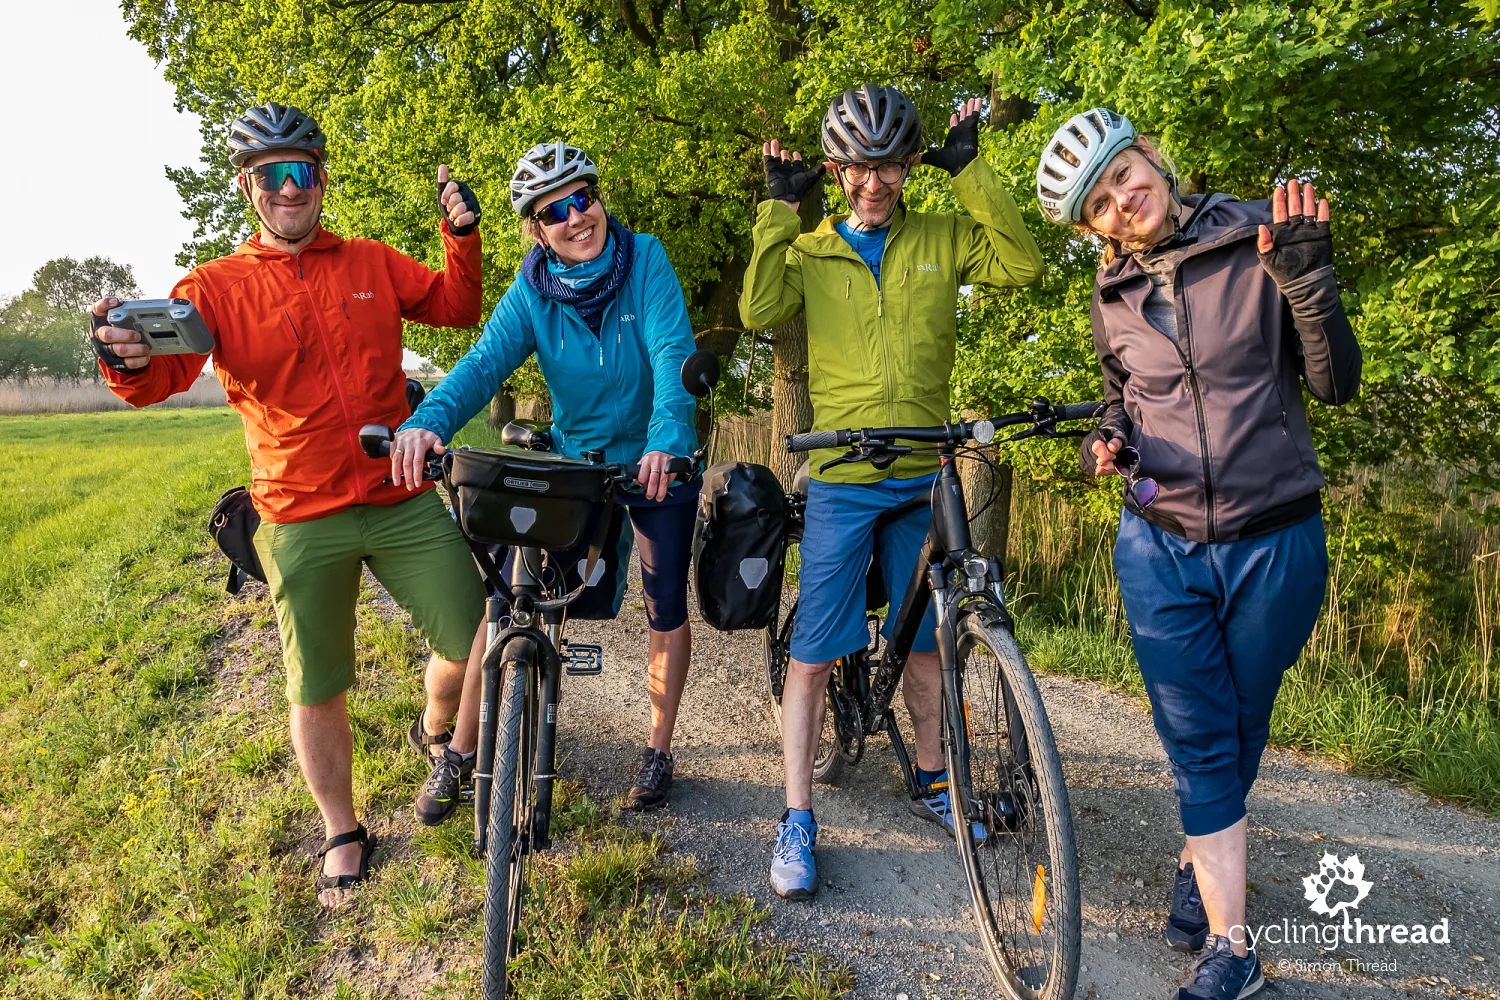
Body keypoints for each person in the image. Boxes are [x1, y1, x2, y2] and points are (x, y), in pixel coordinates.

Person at [88, 102, 490, 909]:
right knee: (318, 685)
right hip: (298, 511)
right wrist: (121, 359)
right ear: (247, 189)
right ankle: (343, 828)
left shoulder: (371, 262)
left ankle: (440, 734)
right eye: (268, 175)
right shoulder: (213, 288)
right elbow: (155, 380)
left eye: (299, 170)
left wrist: (462, 234)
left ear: (321, 178)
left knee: (478, 630)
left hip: (397, 491)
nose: (286, 188)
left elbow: (455, 307)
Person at [1036, 108, 1362, 999]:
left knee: (1241, 718)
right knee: (1198, 737)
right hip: (1160, 544)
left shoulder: (1260, 235)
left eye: (1122, 174)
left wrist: (1309, 279)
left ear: (1152, 157)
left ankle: (1200, 857)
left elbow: (1335, 384)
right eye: (1099, 203)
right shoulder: (1110, 297)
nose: (1121, 200)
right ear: (1092, 229)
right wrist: (1102, 445)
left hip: (1275, 539)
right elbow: (1119, 401)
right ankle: (1234, 948)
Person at [740, 84, 1046, 899]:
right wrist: (778, 210)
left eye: (892, 166)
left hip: (922, 474)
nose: (875, 184)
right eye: (859, 168)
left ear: (912, 165)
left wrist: (973, 173)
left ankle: (936, 778)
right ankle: (797, 815)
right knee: (811, 655)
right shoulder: (809, 250)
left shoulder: (944, 235)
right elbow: (758, 306)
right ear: (837, 169)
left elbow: (1023, 262)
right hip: (842, 477)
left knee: (924, 644)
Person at [392, 141, 700, 811]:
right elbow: (480, 366)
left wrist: (668, 439)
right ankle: (460, 752)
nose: (575, 217)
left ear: (599, 196)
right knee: (504, 592)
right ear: (537, 229)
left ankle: (658, 748)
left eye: (582, 198)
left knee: (664, 600)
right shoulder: (531, 291)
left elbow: (673, 352)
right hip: (576, 461)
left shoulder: (644, 259)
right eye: (554, 210)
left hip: (654, 461)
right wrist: (429, 423)